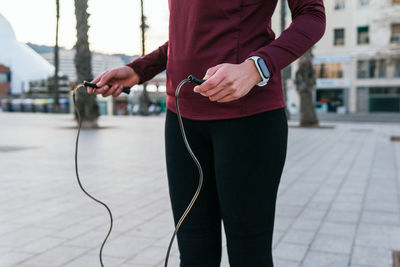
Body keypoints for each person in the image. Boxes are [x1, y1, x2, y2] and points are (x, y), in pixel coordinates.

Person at [88, 0, 325, 266]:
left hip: (248, 120)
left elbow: (312, 15)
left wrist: (256, 67)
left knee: (249, 254)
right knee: (193, 253)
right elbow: (189, 36)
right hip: (181, 120)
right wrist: (138, 70)